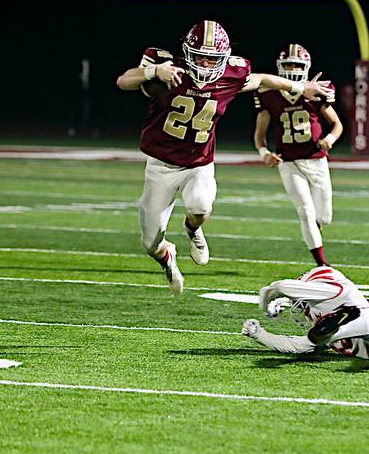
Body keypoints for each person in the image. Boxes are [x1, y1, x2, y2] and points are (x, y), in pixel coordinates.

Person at [116, 20, 334, 295]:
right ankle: (166, 255)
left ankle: (193, 230)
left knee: (200, 204)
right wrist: (153, 70)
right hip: (160, 165)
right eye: (200, 58)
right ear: (188, 53)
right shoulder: (168, 70)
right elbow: (124, 81)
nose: (206, 65)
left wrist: (301, 90)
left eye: (213, 59)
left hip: (199, 164)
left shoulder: (231, 74)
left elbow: (263, 79)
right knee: (150, 242)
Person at [254, 44, 343, 266]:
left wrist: (328, 140)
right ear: (279, 67)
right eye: (288, 64)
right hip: (288, 161)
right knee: (305, 211)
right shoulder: (269, 94)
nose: (293, 68)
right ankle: (322, 265)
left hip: (315, 158)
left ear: (306, 67)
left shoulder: (316, 91)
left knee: (323, 217)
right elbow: (260, 133)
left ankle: (316, 232)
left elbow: (337, 125)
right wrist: (264, 152)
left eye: (297, 64)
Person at [242, 265, 369, 365]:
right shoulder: (328, 302)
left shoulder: (335, 291)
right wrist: (260, 335)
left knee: (320, 336)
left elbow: (281, 287)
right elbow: (298, 347)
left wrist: (267, 307)